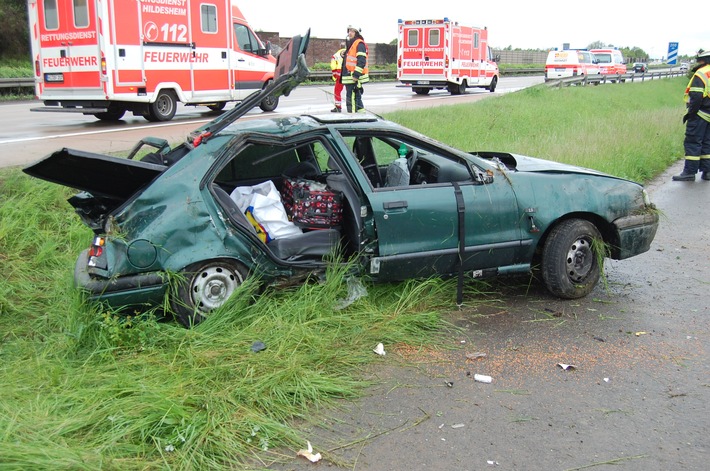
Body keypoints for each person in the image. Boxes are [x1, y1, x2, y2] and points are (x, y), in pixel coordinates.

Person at [673, 49, 710, 181]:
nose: (697, 62)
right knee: (707, 143)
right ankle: (708, 172)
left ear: (704, 60)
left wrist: (691, 114)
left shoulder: (701, 74)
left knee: (693, 142)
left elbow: (696, 96)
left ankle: (689, 172)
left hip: (700, 114)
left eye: (699, 59)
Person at [341, 26, 369, 113]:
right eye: (349, 31)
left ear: (356, 33)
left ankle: (352, 120)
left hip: (353, 77)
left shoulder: (359, 44)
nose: (350, 33)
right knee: (357, 99)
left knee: (351, 100)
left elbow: (361, 60)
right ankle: (363, 118)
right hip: (350, 77)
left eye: (352, 31)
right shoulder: (353, 44)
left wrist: (356, 75)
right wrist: (345, 53)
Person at [330, 42, 346, 112]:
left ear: (340, 47)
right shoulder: (350, 53)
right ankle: (352, 107)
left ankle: (338, 107)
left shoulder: (335, 55)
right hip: (349, 73)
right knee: (351, 91)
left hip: (340, 75)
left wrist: (334, 75)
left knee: (337, 91)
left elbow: (333, 66)